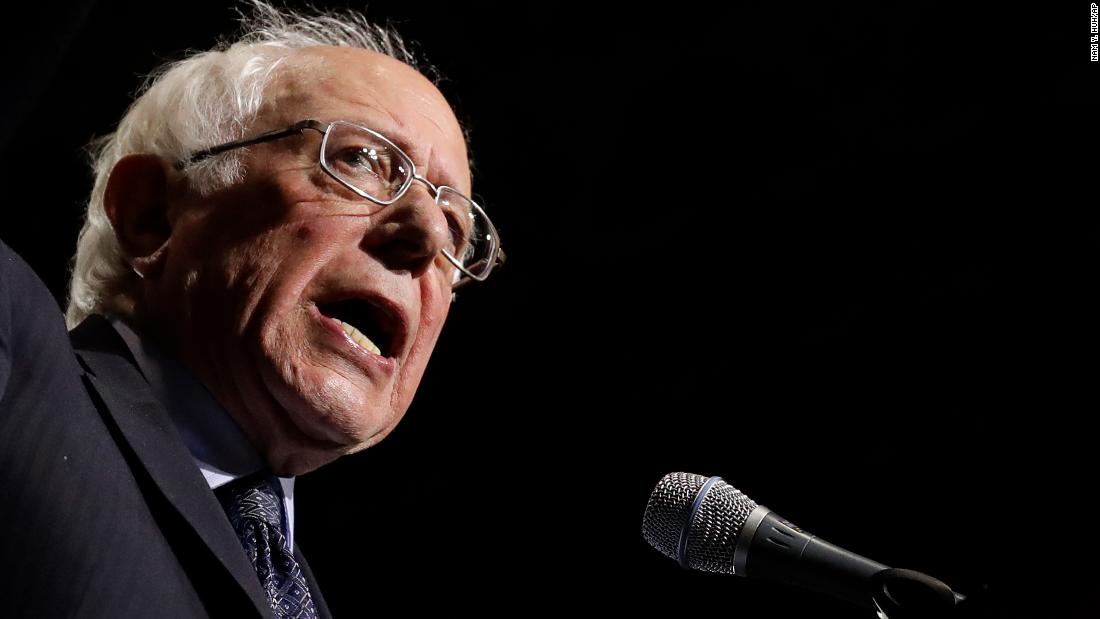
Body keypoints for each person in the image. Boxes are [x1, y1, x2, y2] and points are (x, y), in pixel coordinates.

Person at [0, 2, 501, 617]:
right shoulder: (16, 367)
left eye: (456, 227)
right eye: (360, 160)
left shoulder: (296, 593)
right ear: (151, 213)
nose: (426, 232)